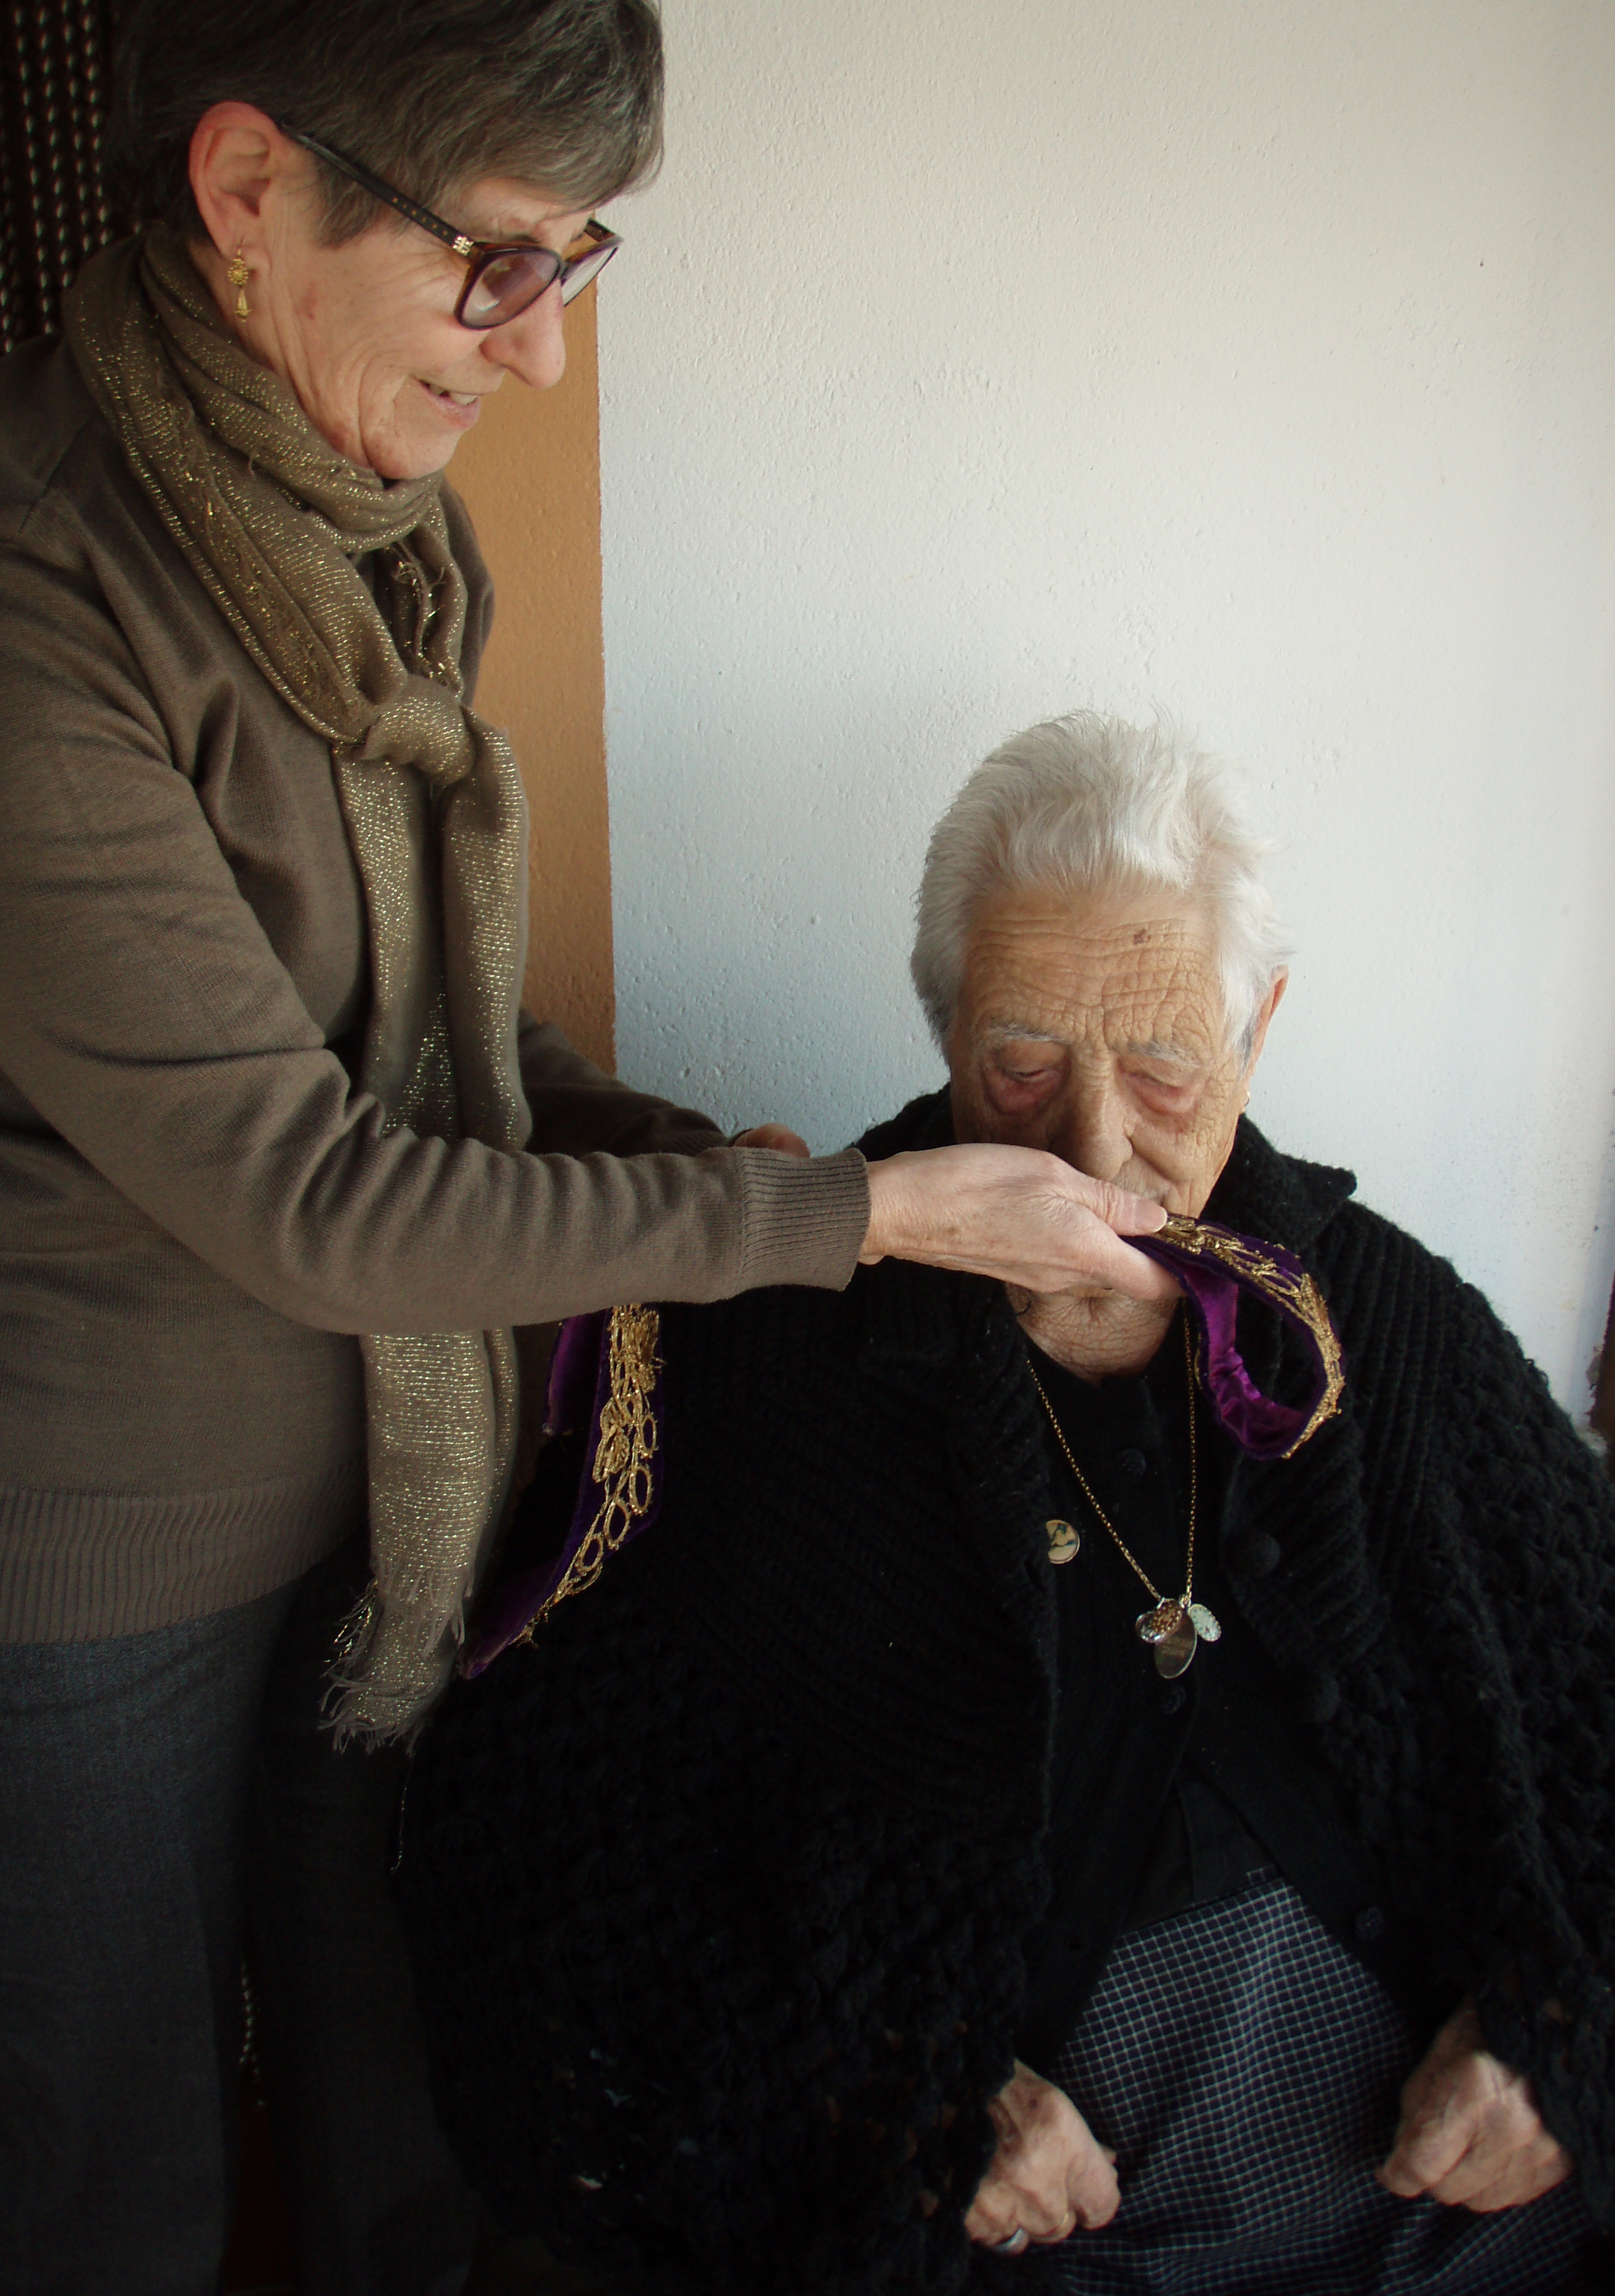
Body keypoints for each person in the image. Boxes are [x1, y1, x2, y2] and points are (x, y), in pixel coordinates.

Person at [0, 10, 1176, 2286]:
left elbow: (428, 1039)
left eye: (580, 263)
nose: (536, 357)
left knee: (405, 2110)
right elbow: (316, 1188)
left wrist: (648, 1135)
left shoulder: (365, 532)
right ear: (249, 188)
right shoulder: (50, 607)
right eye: (488, 263)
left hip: (385, 1502)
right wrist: (853, 1212)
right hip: (98, 1558)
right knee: (105, 2185)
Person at [399, 714, 1615, 2296]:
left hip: (1482, 2233)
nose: (1095, 1148)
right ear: (945, 1029)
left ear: (1262, 1032)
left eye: (1165, 1066)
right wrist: (889, 2104)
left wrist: (1572, 2030)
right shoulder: (775, 1359)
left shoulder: (1376, 1320)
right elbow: (538, 1871)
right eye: (1021, 1062)